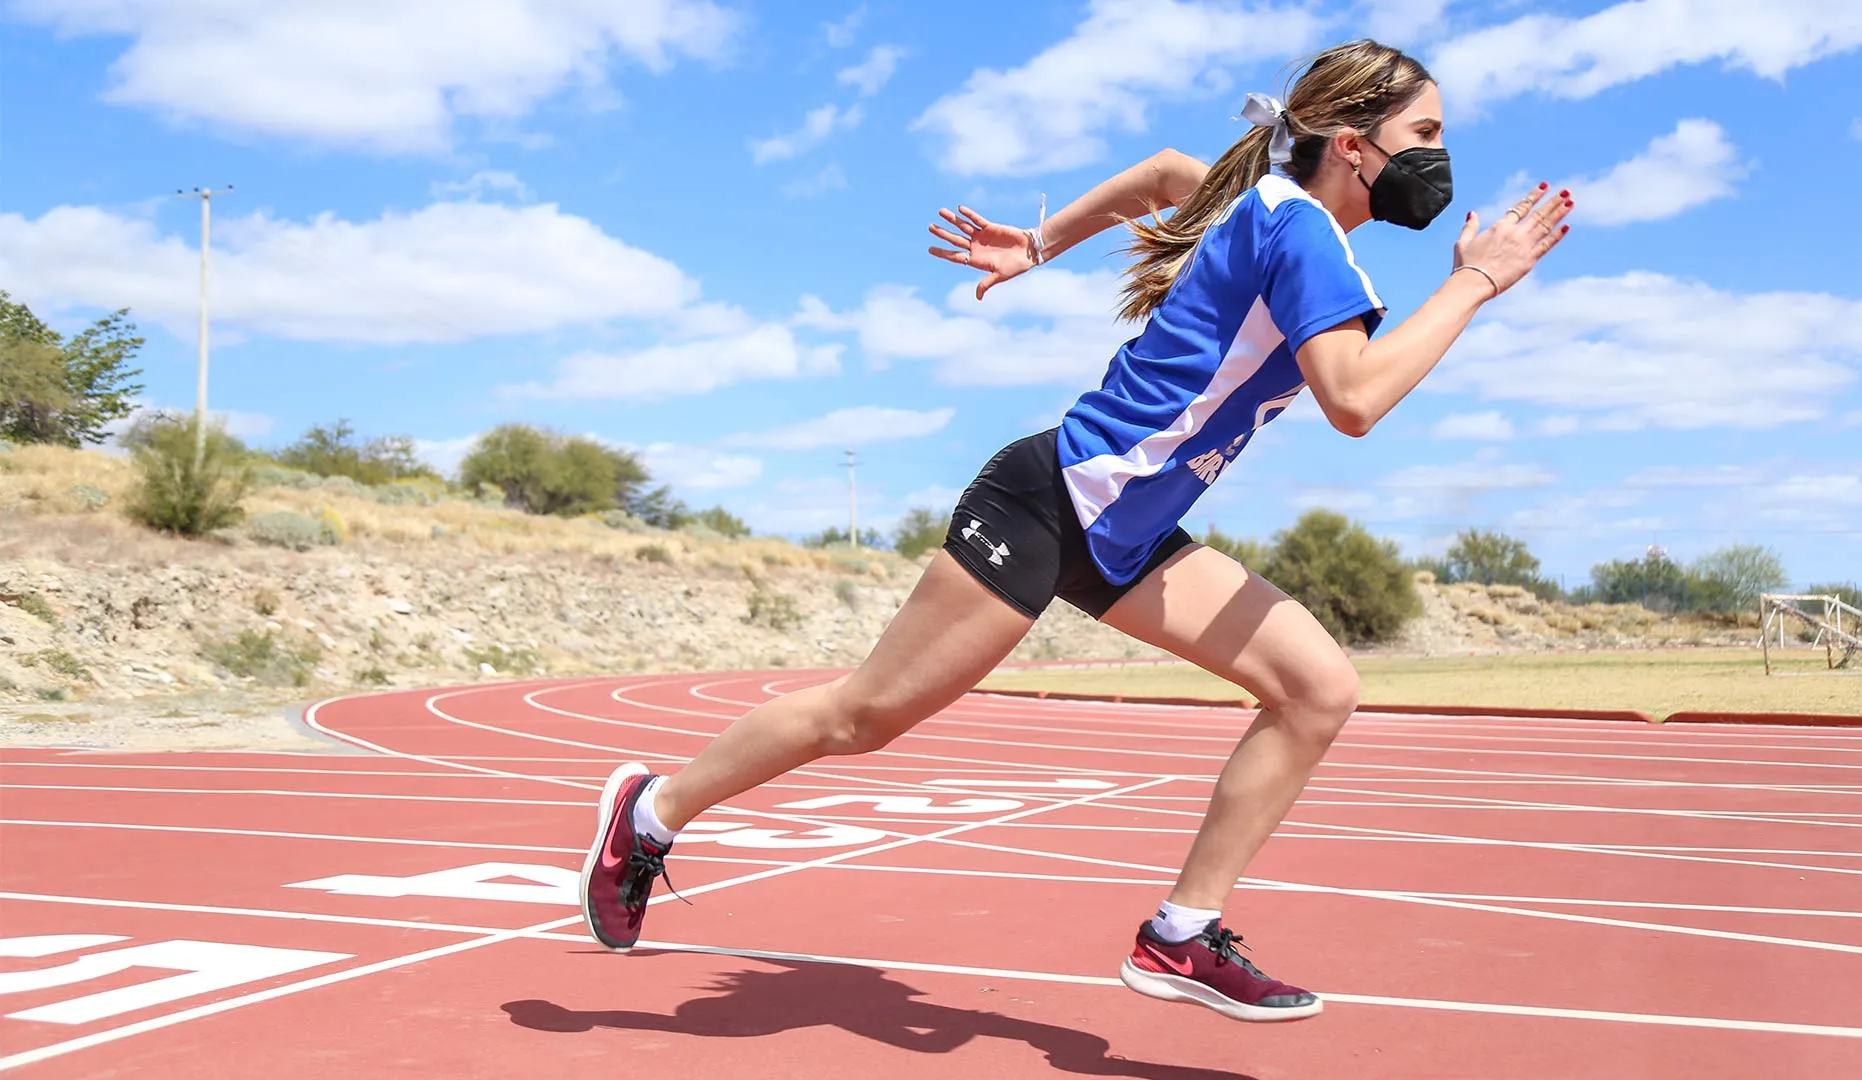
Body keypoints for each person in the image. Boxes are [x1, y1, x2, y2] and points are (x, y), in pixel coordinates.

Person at [579, 38, 1573, 1023]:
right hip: (1051, 501)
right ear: (1354, 143)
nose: (1442, 156)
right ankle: (652, 811)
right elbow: (1353, 401)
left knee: (1317, 688)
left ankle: (1180, 936)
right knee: (864, 720)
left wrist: (1037, 246)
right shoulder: (1302, 232)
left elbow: (1167, 174)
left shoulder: (1270, 210)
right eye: (1427, 133)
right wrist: (1476, 281)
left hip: (1130, 535)